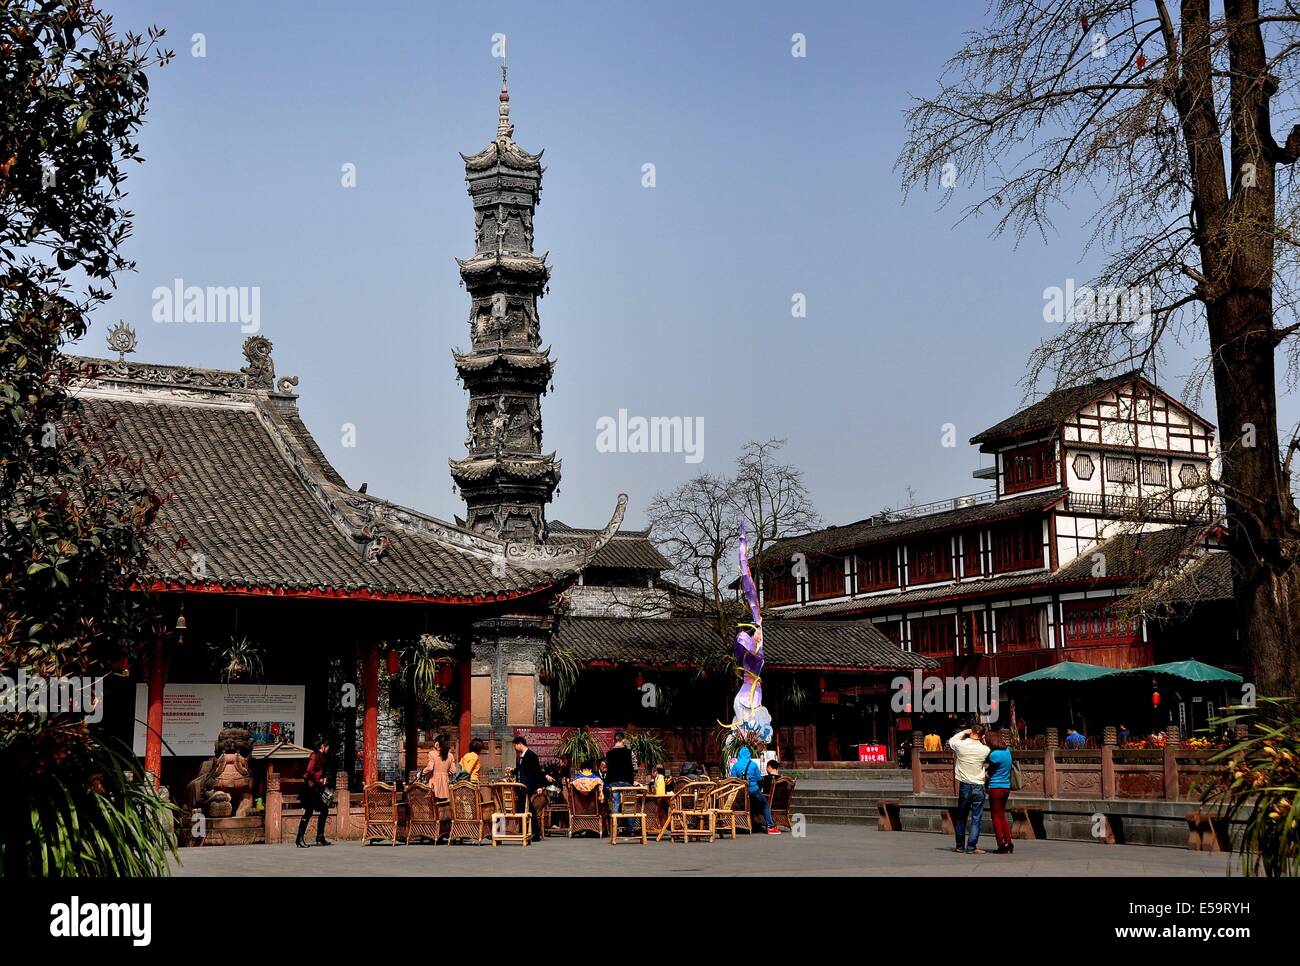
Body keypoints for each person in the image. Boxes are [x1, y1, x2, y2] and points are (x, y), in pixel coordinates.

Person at [948, 724, 990, 854]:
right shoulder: (985, 750)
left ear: (970, 732)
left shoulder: (961, 745)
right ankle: (971, 847)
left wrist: (963, 732)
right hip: (978, 785)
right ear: (982, 736)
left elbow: (951, 741)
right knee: (976, 818)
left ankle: (959, 846)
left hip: (965, 785)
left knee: (961, 817)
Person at [732, 746, 780, 834]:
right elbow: (758, 779)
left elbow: (733, 779)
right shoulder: (753, 764)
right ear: (749, 754)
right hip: (754, 790)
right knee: (765, 804)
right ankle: (770, 826)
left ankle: (741, 824)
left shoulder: (736, 765)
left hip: (741, 792)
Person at [297, 735, 332, 848]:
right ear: (323, 746)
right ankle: (300, 838)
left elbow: (323, 771)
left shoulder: (323, 756)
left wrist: (324, 778)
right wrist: (319, 779)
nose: (328, 748)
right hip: (310, 788)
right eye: (327, 746)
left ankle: (320, 836)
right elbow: (309, 769)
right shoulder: (314, 755)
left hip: (317, 788)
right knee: (308, 812)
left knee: (324, 810)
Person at [511, 735, 547, 842]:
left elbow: (537, 772)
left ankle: (532, 832)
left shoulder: (531, 755)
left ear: (520, 744)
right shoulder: (521, 756)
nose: (515, 749)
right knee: (526, 808)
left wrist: (539, 786)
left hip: (527, 786)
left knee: (525, 807)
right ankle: (530, 831)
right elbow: (520, 770)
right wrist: (513, 770)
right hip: (521, 786)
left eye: (515, 746)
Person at [985, 731, 1014, 854]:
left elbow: (986, 764)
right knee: (1002, 815)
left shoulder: (994, 755)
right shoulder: (1007, 752)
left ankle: (1001, 844)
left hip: (995, 787)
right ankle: (1009, 842)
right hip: (1006, 787)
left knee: (995, 816)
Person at [422, 732, 455, 798]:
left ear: (437, 743)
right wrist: (445, 773)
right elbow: (453, 770)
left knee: (432, 803)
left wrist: (422, 772)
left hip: (434, 782)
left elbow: (430, 768)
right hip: (445, 783)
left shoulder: (432, 754)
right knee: (443, 804)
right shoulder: (450, 755)